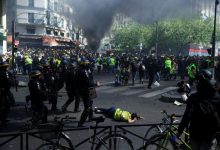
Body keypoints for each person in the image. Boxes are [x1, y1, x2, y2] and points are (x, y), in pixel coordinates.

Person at [177, 70, 220, 150]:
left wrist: (180, 131)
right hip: (210, 135)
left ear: (199, 82)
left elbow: (187, 115)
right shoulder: (217, 97)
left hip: (195, 135)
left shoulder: (194, 97)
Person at [77, 59, 99, 127]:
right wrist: (95, 84)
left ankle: (91, 117)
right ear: (84, 65)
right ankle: (81, 122)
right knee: (87, 107)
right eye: (87, 64)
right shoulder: (83, 72)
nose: (89, 65)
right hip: (86, 91)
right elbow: (88, 82)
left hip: (90, 89)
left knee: (91, 103)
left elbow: (90, 79)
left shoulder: (87, 71)